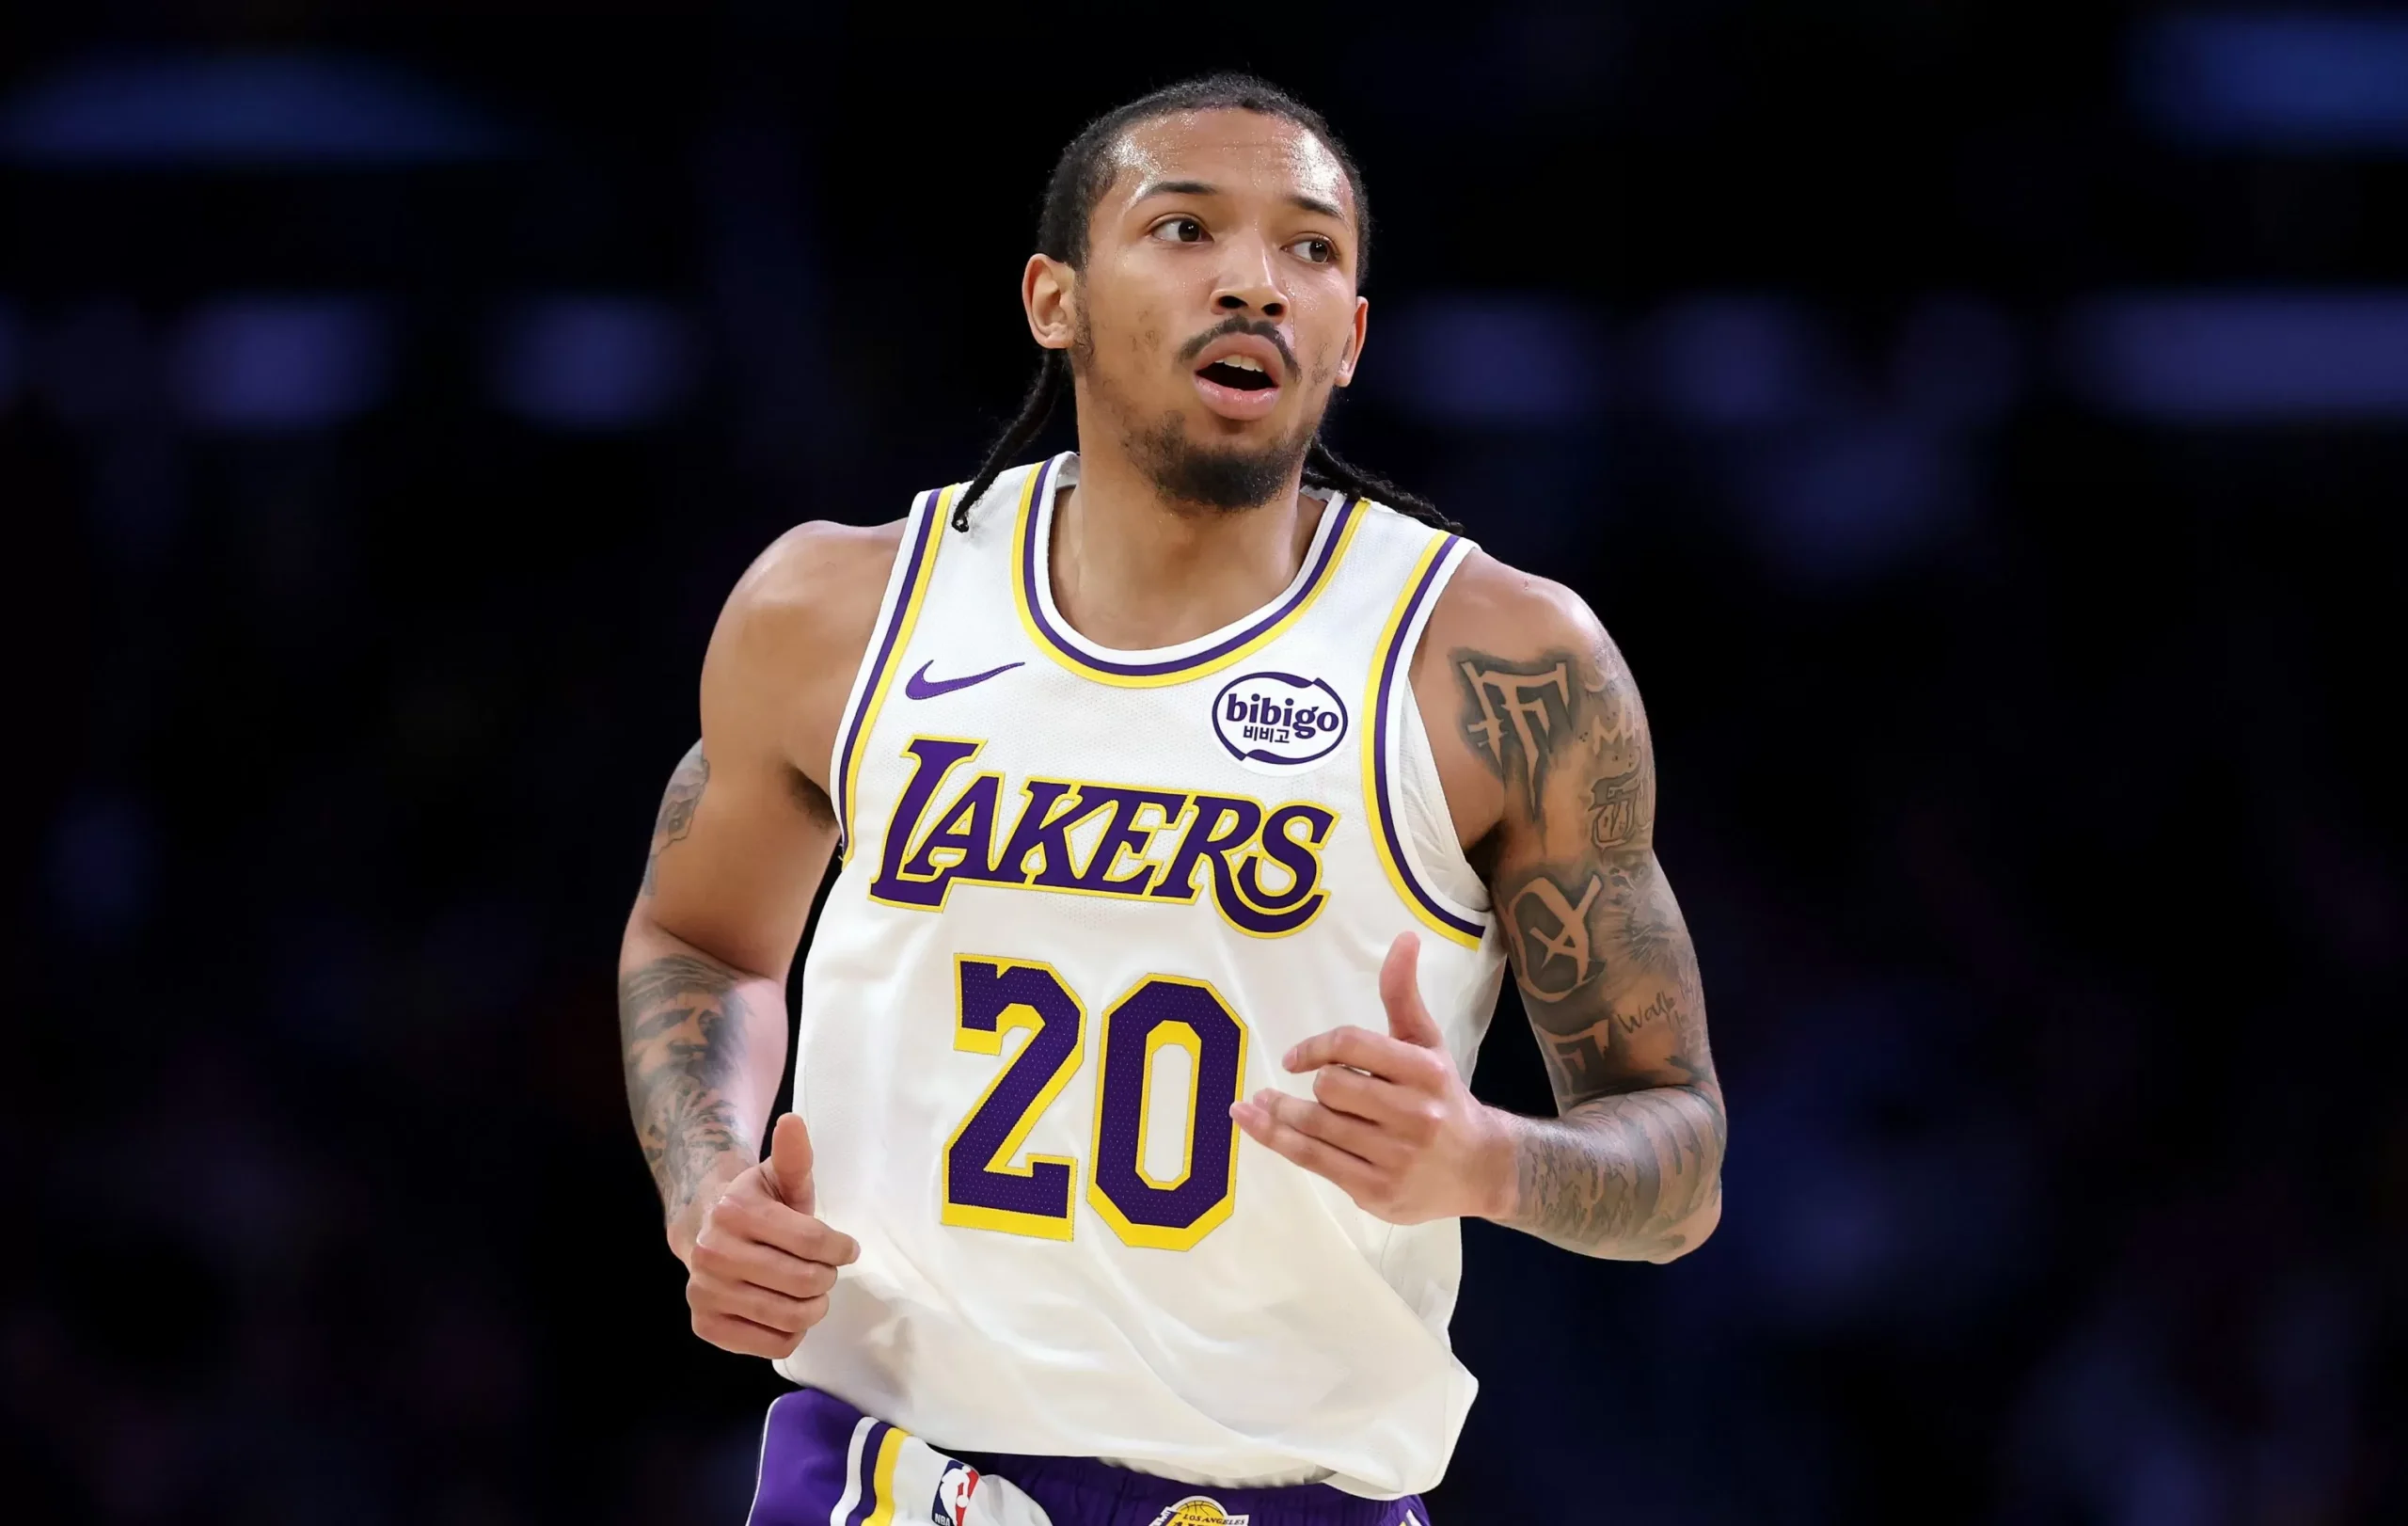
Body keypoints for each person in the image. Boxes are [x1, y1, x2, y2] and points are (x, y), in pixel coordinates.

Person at [618, 73, 1725, 1526]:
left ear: (1349, 339)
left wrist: (1491, 1160)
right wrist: (706, 1181)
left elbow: (1679, 1159)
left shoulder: (1500, 666)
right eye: (1186, 227)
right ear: (1054, 300)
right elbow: (700, 938)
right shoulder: (836, 609)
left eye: (1311, 248)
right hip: (894, 1476)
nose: (1255, 280)